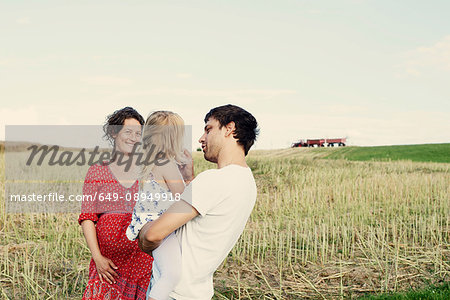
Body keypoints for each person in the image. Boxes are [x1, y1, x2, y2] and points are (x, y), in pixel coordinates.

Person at [138, 104, 259, 300]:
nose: (201, 138)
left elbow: (152, 235)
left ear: (229, 129)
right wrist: (189, 179)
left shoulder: (213, 180)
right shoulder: (247, 181)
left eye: (208, 129)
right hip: (198, 292)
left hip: (174, 293)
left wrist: (141, 231)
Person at [78, 107, 154, 300]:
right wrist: (97, 257)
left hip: (141, 261)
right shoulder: (97, 171)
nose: (134, 138)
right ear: (114, 132)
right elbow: (87, 217)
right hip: (108, 264)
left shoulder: (146, 171)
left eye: (138, 134)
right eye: (128, 132)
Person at [125, 111, 187, 300]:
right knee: (171, 274)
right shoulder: (167, 163)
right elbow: (184, 198)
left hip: (147, 223)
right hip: (160, 225)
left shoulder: (149, 162)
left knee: (160, 273)